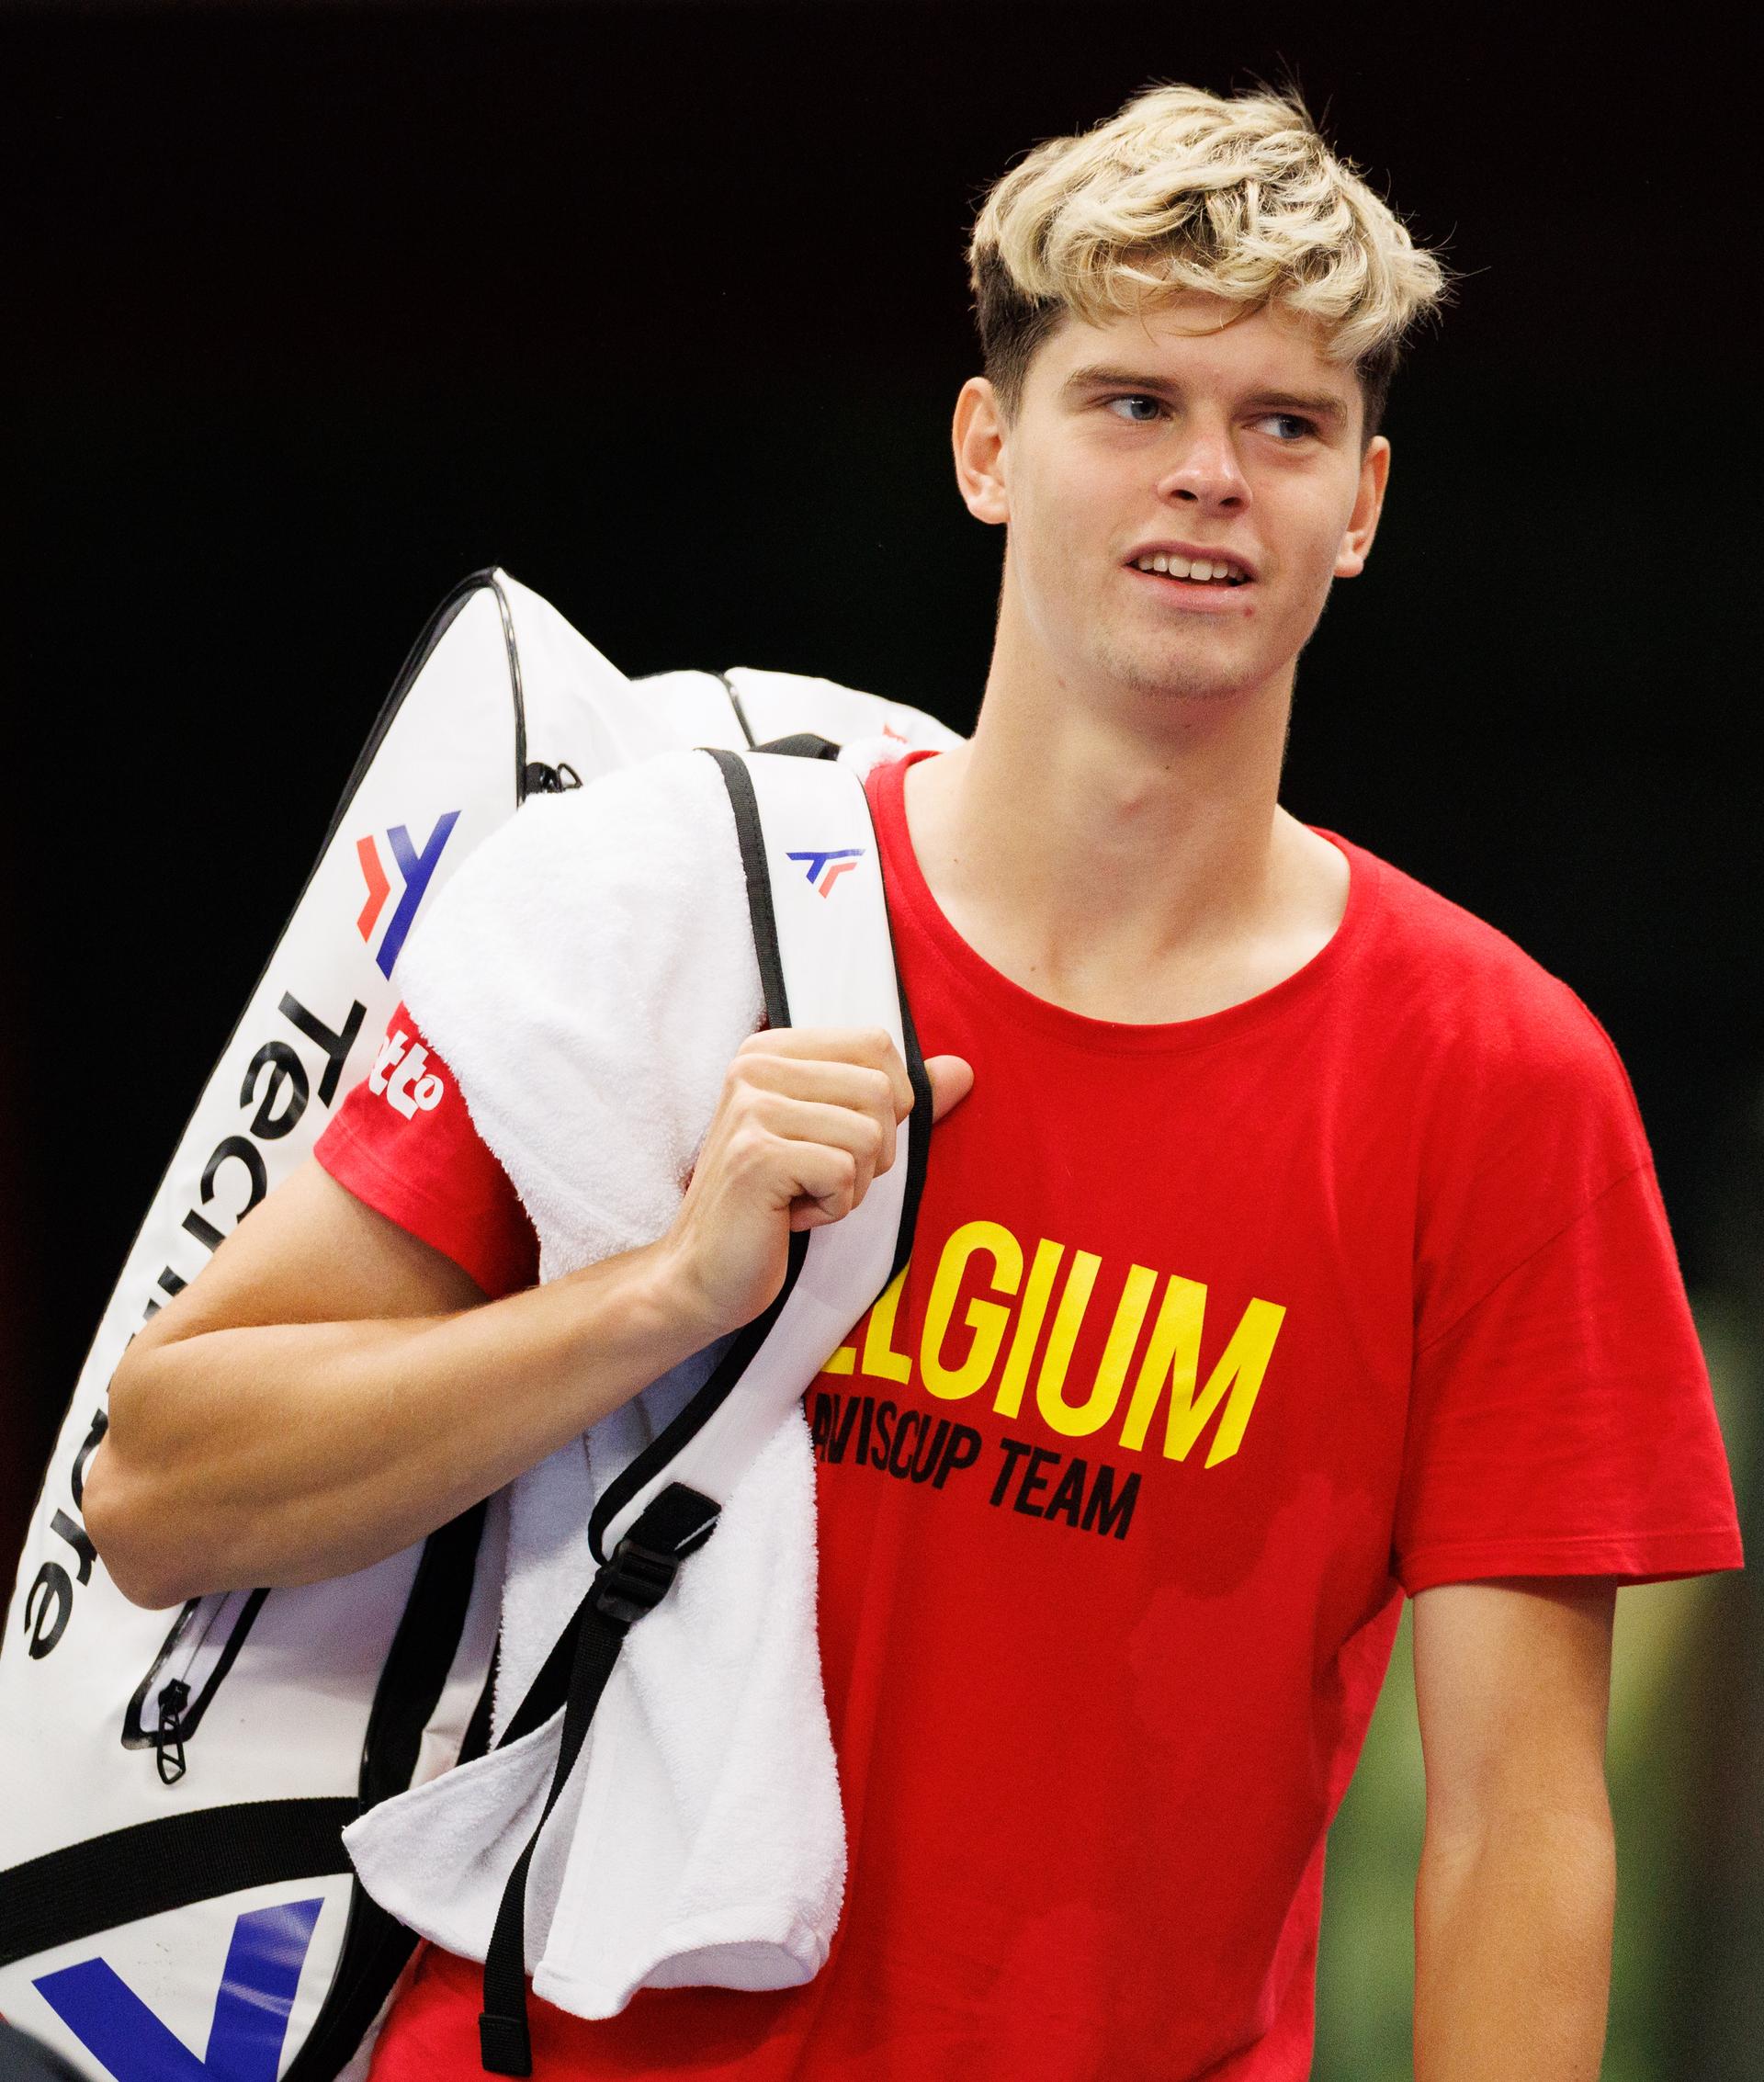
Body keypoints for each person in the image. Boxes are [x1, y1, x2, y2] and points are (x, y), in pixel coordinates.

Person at [85, 80, 1745, 2082]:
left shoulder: (1498, 1081)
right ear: (987, 447)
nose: (1208, 475)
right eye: (1132, 401)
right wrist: (661, 1295)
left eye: (1286, 425)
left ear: (1365, 502)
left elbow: (1516, 1825)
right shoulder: (673, 914)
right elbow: (159, 1490)